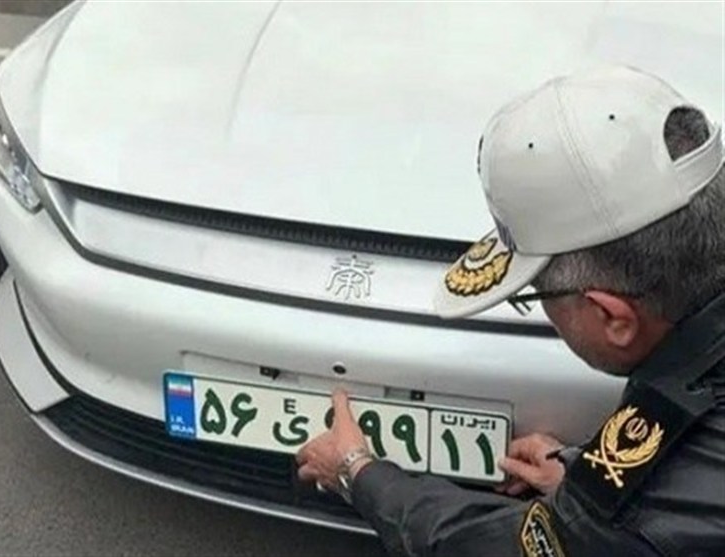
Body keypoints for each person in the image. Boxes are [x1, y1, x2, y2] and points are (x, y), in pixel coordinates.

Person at [295, 65, 725, 556]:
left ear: (613, 319)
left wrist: (355, 470)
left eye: (534, 295)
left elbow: (494, 547)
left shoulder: (640, 509)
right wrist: (581, 473)